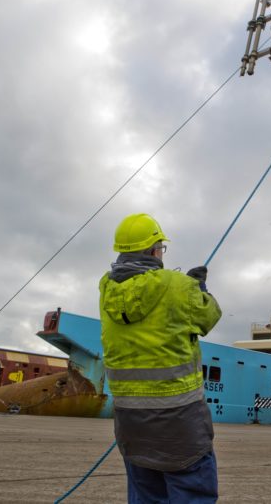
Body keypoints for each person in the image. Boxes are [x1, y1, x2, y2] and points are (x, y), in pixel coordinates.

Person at [99, 213, 222, 503]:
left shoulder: (106, 288)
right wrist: (199, 289)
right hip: (181, 425)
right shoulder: (178, 285)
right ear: (154, 250)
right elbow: (209, 316)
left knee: (145, 495)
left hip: (131, 424)